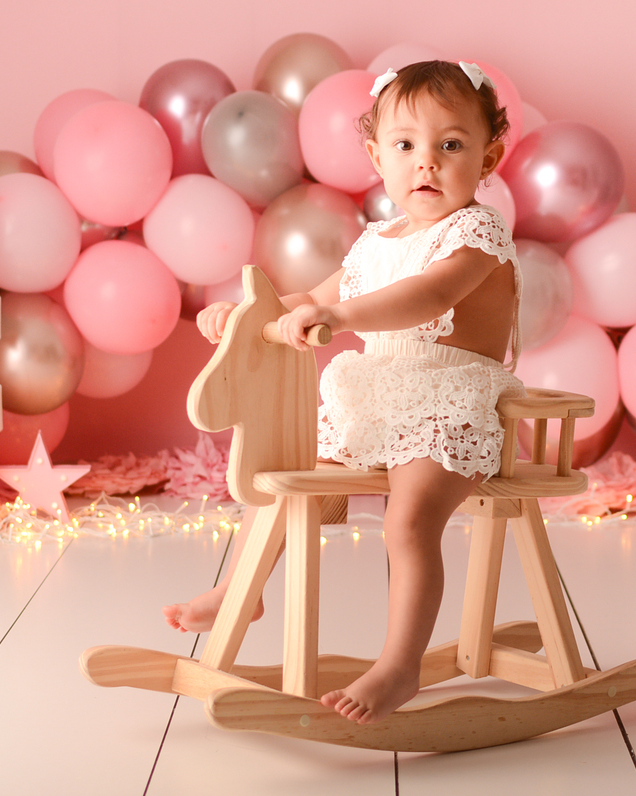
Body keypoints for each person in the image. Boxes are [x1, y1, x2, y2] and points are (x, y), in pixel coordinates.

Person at [164, 60, 524, 725]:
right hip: (377, 398)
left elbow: (428, 295)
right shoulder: (376, 242)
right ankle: (240, 591)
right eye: (405, 145)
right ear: (377, 158)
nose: (426, 162)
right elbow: (312, 297)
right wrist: (246, 315)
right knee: (283, 483)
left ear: (488, 158)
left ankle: (399, 665)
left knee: (408, 521)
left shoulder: (477, 234)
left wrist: (340, 316)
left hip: (451, 403)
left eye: (451, 144)